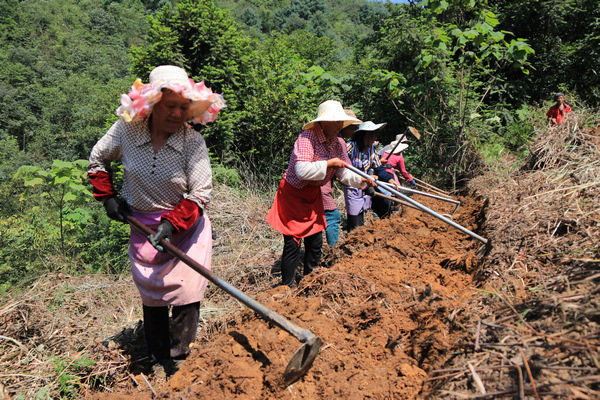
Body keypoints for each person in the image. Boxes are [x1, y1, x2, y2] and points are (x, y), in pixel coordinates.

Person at [87, 65, 225, 372]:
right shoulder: (125, 130)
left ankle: (179, 358)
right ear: (152, 106)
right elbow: (97, 158)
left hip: (185, 226)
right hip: (143, 225)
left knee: (187, 294)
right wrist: (108, 197)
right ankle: (157, 354)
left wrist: (171, 225)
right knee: (153, 294)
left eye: (183, 107)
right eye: (169, 106)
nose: (177, 114)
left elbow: (201, 192)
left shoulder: (192, 143)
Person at [266, 100, 367, 287]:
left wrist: (363, 180)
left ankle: (309, 282)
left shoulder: (338, 143)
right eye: (336, 121)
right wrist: (329, 164)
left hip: (313, 194)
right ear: (324, 122)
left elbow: (344, 172)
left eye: (340, 122)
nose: (339, 126)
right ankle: (286, 287)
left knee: (315, 241)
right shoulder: (306, 138)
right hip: (293, 195)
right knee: (292, 243)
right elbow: (302, 171)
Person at [321, 109, 362, 246]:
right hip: (320, 184)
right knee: (333, 215)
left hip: (325, 182)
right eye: (352, 127)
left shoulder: (337, 140)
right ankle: (333, 250)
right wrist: (361, 181)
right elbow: (345, 168)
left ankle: (319, 251)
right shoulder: (339, 141)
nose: (353, 131)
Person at [344, 121, 395, 231]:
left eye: (375, 135)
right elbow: (342, 164)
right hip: (353, 186)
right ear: (363, 135)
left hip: (368, 183)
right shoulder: (350, 147)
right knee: (356, 222)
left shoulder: (372, 149)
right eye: (371, 135)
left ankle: (383, 228)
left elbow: (378, 167)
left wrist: (389, 179)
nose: (374, 138)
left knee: (384, 203)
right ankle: (354, 236)